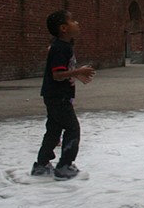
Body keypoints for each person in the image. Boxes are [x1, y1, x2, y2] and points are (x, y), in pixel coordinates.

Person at [31, 10, 96, 179]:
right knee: (72, 128)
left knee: (53, 130)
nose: (77, 23)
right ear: (63, 28)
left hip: (54, 95)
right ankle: (64, 165)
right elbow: (57, 75)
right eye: (72, 20)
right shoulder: (60, 48)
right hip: (58, 96)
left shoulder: (64, 46)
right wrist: (77, 71)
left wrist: (76, 74)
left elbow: (62, 71)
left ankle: (42, 164)